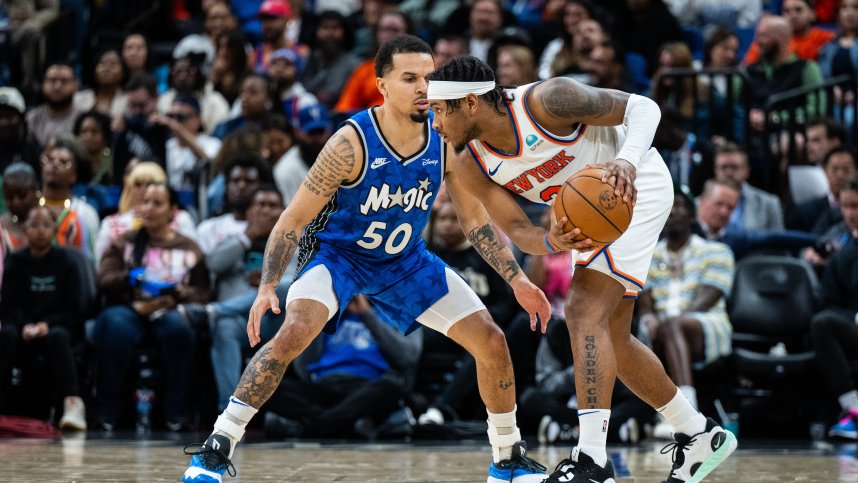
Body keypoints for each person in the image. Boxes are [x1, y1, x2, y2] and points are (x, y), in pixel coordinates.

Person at [183, 35, 551, 483]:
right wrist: (265, 287)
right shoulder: (349, 144)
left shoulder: (444, 137)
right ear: (381, 84)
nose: (423, 87)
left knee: (492, 341)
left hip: (405, 261)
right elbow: (291, 222)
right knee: (293, 332)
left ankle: (507, 457)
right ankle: (217, 446)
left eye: (430, 78)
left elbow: (475, 222)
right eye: (410, 78)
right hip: (339, 257)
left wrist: (516, 280)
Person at [427, 55, 736, 482]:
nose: (435, 121)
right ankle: (698, 433)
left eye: (441, 109)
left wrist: (625, 160)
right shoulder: (468, 163)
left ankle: (592, 460)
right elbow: (519, 229)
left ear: (472, 104)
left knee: (581, 310)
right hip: (592, 215)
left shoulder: (548, 101)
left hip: (637, 184)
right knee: (612, 336)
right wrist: (552, 241)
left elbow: (644, 107)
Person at [94, 184, 209, 431]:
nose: (148, 208)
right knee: (113, 325)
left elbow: (204, 291)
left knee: (180, 329)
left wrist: (180, 292)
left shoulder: (188, 247)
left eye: (157, 203)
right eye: (144, 202)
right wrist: (130, 278)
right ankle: (108, 412)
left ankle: (177, 414)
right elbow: (103, 280)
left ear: (172, 210)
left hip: (169, 310)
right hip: (130, 310)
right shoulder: (124, 242)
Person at [638, 185, 734, 437]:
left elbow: (706, 300)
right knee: (641, 330)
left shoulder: (717, 251)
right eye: (667, 206)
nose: (672, 212)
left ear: (692, 215)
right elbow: (644, 303)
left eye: (679, 205)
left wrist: (666, 322)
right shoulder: (647, 256)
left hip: (706, 324)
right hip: (661, 327)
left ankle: (687, 411)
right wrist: (648, 319)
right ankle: (637, 418)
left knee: (671, 326)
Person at [0, 206, 87, 430]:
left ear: (55, 230)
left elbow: (75, 307)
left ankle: (73, 404)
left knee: (58, 337)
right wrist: (24, 325)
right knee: (6, 334)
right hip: (23, 327)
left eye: (46, 225)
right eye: (34, 225)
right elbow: (8, 305)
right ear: (24, 229)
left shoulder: (67, 262)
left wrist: (47, 325)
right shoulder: (15, 262)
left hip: (57, 326)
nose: (40, 231)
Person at [810, 174, 858, 440]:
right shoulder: (840, 250)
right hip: (853, 324)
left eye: (856, 206)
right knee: (822, 323)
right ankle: (854, 409)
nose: (851, 213)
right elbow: (827, 301)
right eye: (846, 206)